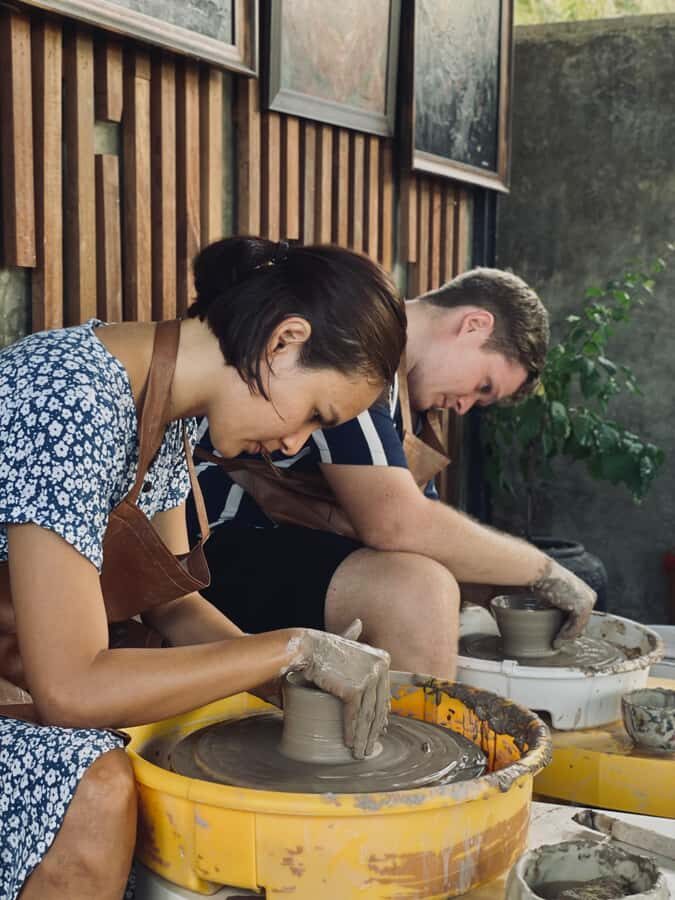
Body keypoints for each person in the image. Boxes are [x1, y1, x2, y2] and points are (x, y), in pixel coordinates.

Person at [0, 236, 406, 900]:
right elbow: (71, 688)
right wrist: (291, 648)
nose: (294, 445)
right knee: (93, 785)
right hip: (36, 680)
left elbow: (170, 605)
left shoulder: (161, 411)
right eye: (313, 413)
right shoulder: (68, 398)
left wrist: (294, 683)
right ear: (283, 341)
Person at [190, 268, 596, 679]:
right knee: (418, 592)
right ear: (474, 325)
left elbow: (424, 538)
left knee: (447, 591)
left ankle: (406, 733)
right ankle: (416, 742)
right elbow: (397, 525)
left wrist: (503, 590)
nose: (466, 406)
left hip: (273, 547)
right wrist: (544, 570)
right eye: (483, 386)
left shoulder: (414, 408)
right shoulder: (358, 350)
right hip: (201, 543)